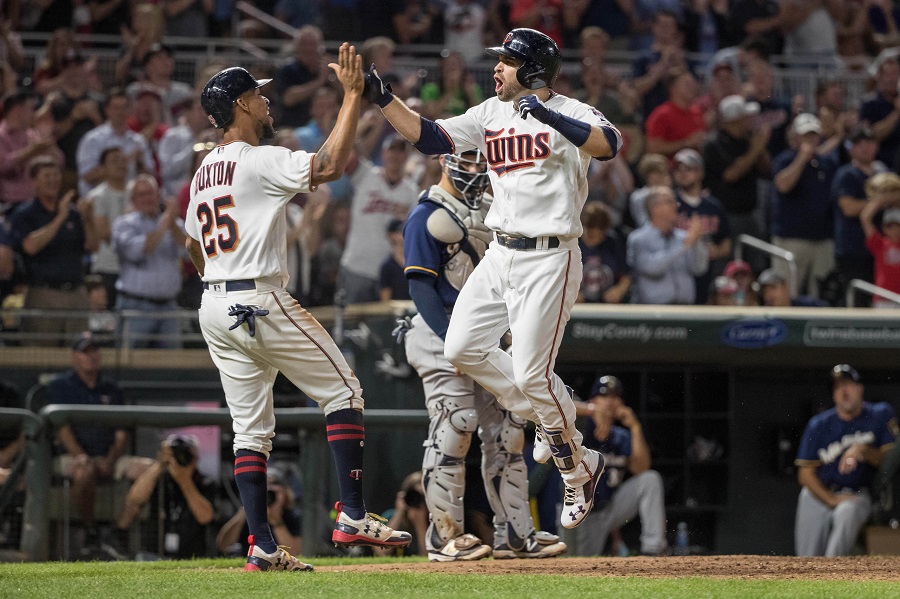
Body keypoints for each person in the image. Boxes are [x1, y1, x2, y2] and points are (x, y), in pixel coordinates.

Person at [367, 27, 622, 529]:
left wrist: (548, 116)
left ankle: (577, 465)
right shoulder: (488, 112)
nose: (496, 69)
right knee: (461, 348)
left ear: (530, 70)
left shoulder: (569, 109)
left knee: (531, 374)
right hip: (501, 253)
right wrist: (383, 99)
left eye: (506, 61)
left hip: (551, 256)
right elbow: (430, 137)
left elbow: (610, 144)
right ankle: (556, 416)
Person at [185, 46, 412, 572]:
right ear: (241, 105)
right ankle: (353, 514)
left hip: (215, 304)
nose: (266, 102)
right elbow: (331, 164)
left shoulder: (203, 173)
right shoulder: (259, 158)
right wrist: (354, 97)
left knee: (250, 431)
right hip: (257, 298)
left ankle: (262, 545)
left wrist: (221, 275)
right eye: (257, 96)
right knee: (344, 390)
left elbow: (194, 248)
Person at [401, 149, 567, 560]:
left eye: (481, 161)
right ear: (444, 161)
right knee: (454, 429)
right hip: (439, 333)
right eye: (467, 161)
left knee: (509, 434)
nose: (476, 170)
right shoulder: (426, 215)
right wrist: (448, 339)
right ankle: (444, 537)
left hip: (486, 336)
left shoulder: (492, 209)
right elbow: (421, 287)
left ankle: (514, 534)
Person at [47, 332, 154, 554]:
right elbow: (62, 430)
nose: (91, 356)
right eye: (85, 352)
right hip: (74, 457)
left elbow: (121, 434)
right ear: (75, 357)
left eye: (95, 350)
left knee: (151, 469)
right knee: (84, 470)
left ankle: (119, 531)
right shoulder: (61, 386)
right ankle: (90, 531)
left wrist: (110, 460)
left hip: (109, 457)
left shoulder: (111, 389)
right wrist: (81, 456)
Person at [795, 364, 897, 557]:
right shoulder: (818, 424)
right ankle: (808, 580)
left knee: (847, 512)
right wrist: (831, 499)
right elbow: (804, 475)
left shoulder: (879, 414)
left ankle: (834, 575)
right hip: (820, 494)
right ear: (833, 395)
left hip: (856, 494)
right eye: (837, 387)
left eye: (848, 384)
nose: (843, 391)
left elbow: (889, 460)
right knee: (807, 558)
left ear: (860, 388)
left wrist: (862, 450)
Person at [8, 157, 99, 345]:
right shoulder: (24, 213)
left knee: (79, 351)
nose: (53, 180)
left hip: (76, 293)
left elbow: (93, 246)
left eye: (56, 175)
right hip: (43, 293)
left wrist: (89, 218)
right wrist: (60, 218)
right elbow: (30, 247)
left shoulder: (74, 213)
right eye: (46, 176)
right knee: (41, 357)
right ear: (33, 181)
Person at [574, 376, 668, 556]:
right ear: (593, 400)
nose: (610, 401)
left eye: (615, 396)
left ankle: (653, 549)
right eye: (604, 396)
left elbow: (641, 469)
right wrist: (591, 410)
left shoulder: (621, 436)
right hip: (579, 515)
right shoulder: (579, 426)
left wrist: (635, 427)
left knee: (650, 480)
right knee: (575, 565)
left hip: (609, 509)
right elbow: (557, 407)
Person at [109, 434, 216, 560]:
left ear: (196, 458)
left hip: (191, 556)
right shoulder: (159, 479)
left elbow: (205, 517)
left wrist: (184, 480)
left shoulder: (205, 482)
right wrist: (159, 464)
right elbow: (134, 500)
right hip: (154, 553)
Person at [339, 136, 418, 304]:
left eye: (401, 151)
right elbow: (343, 151)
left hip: (391, 272)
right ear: (383, 153)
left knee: (385, 326)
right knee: (351, 325)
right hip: (357, 267)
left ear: (407, 156)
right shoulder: (365, 174)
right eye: (392, 150)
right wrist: (364, 126)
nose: (395, 155)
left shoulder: (412, 192)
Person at [770, 114, 841, 298]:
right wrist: (802, 158)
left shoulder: (827, 164)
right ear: (795, 137)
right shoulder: (785, 160)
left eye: (813, 135)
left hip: (822, 239)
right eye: (805, 135)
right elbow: (783, 185)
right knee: (786, 292)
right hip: (791, 238)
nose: (810, 140)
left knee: (823, 292)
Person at [112, 175, 185, 349]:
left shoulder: (173, 223)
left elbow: (188, 251)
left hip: (168, 308)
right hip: (135, 307)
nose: (149, 198)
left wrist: (172, 224)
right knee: (129, 364)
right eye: (142, 194)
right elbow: (137, 251)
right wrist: (165, 223)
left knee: (172, 364)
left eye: (152, 193)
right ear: (133, 200)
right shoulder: (124, 224)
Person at [627, 186, 709, 305]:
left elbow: (699, 268)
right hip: (653, 312)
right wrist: (685, 244)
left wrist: (696, 242)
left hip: (685, 309)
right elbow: (652, 268)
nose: (676, 205)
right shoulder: (638, 239)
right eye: (670, 201)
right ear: (654, 208)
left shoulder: (683, 237)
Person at [671, 148, 731, 304]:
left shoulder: (713, 206)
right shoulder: (670, 203)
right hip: (677, 271)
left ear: (700, 173)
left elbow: (726, 243)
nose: (683, 173)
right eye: (678, 169)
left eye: (689, 169)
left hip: (708, 272)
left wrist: (716, 251)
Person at [217, 467, 303, 557]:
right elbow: (223, 545)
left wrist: (276, 521)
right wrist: (246, 510)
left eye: (274, 487)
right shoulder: (250, 515)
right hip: (252, 562)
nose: (269, 494)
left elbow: (295, 552)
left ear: (285, 492)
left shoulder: (292, 516)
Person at [860, 172, 900, 308]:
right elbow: (865, 218)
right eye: (890, 226)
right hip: (883, 298)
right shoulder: (880, 244)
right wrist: (881, 199)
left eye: (898, 226)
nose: (894, 230)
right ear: (884, 227)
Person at [578, 202, 630, 304]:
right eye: (588, 234)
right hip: (578, 305)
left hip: (607, 305)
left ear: (604, 232)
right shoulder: (574, 243)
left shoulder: (613, 243)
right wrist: (570, 293)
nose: (590, 240)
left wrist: (618, 290)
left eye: (595, 236)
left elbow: (627, 275)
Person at [757, 268, 828, 307]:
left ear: (785, 287)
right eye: (765, 291)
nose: (769, 295)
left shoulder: (807, 305)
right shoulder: (763, 315)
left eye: (773, 288)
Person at [378, 218, 409, 301]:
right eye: (398, 232)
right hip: (396, 312)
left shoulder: (417, 262)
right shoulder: (387, 266)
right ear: (390, 236)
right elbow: (385, 299)